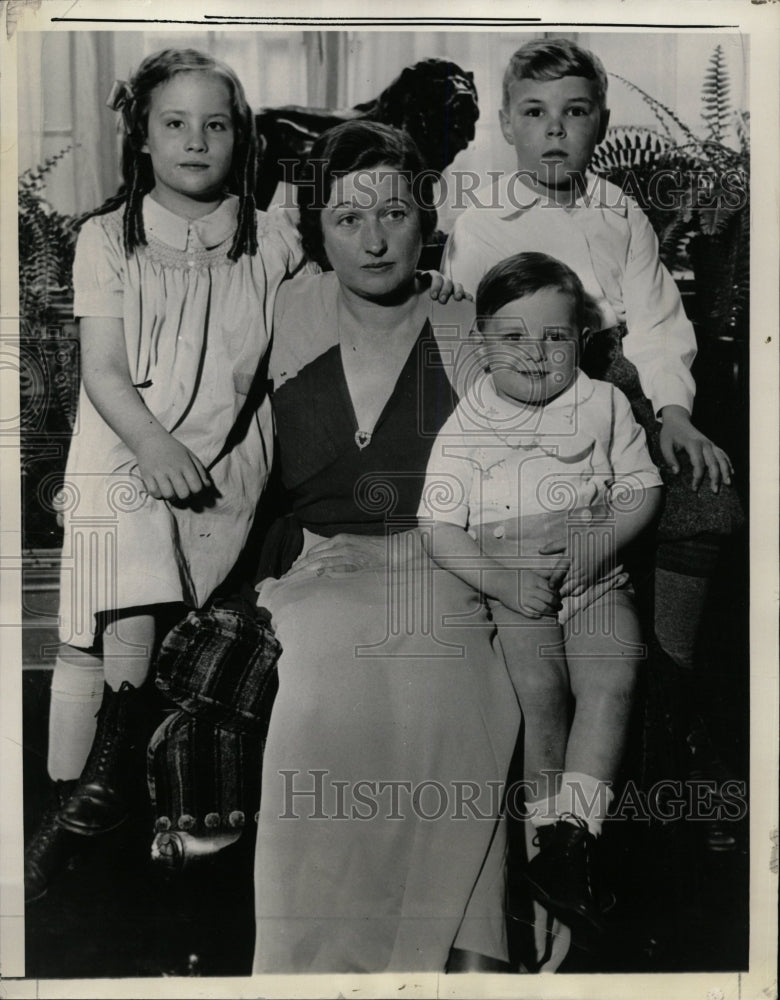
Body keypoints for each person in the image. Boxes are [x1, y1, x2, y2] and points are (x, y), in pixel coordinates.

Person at [22, 47, 312, 903]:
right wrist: (152, 448)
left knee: (125, 614)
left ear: (241, 139)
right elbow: (104, 372)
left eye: (215, 125)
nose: (195, 140)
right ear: (142, 138)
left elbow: (305, 351)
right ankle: (88, 783)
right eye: (174, 123)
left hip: (223, 463)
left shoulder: (275, 243)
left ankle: (89, 803)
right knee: (116, 560)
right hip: (127, 443)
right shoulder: (107, 239)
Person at [250, 120, 522, 974]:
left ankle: (468, 947)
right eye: (347, 219)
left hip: (438, 561)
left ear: (426, 217)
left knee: (459, 671)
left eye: (395, 213)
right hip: (318, 568)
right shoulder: (278, 309)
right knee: (322, 680)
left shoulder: (465, 321)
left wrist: (424, 554)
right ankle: (315, 964)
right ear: (316, 230)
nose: (374, 239)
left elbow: (506, 478)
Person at [418, 251, 663, 943]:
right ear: (482, 343)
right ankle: (539, 859)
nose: (535, 355)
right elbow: (437, 524)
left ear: (580, 340)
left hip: (596, 574)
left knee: (616, 674)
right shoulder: (470, 422)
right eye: (513, 338)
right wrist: (501, 581)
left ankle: (572, 842)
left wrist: (600, 544)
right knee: (541, 697)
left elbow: (642, 487)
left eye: (555, 338)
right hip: (516, 580)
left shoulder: (602, 403)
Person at [442, 37, 732, 493]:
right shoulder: (482, 225)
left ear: (603, 124)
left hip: (629, 382)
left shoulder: (623, 213)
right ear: (507, 125)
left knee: (704, 491)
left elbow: (656, 327)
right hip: (527, 391)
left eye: (575, 111)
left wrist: (675, 414)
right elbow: (466, 348)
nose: (555, 129)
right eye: (534, 112)